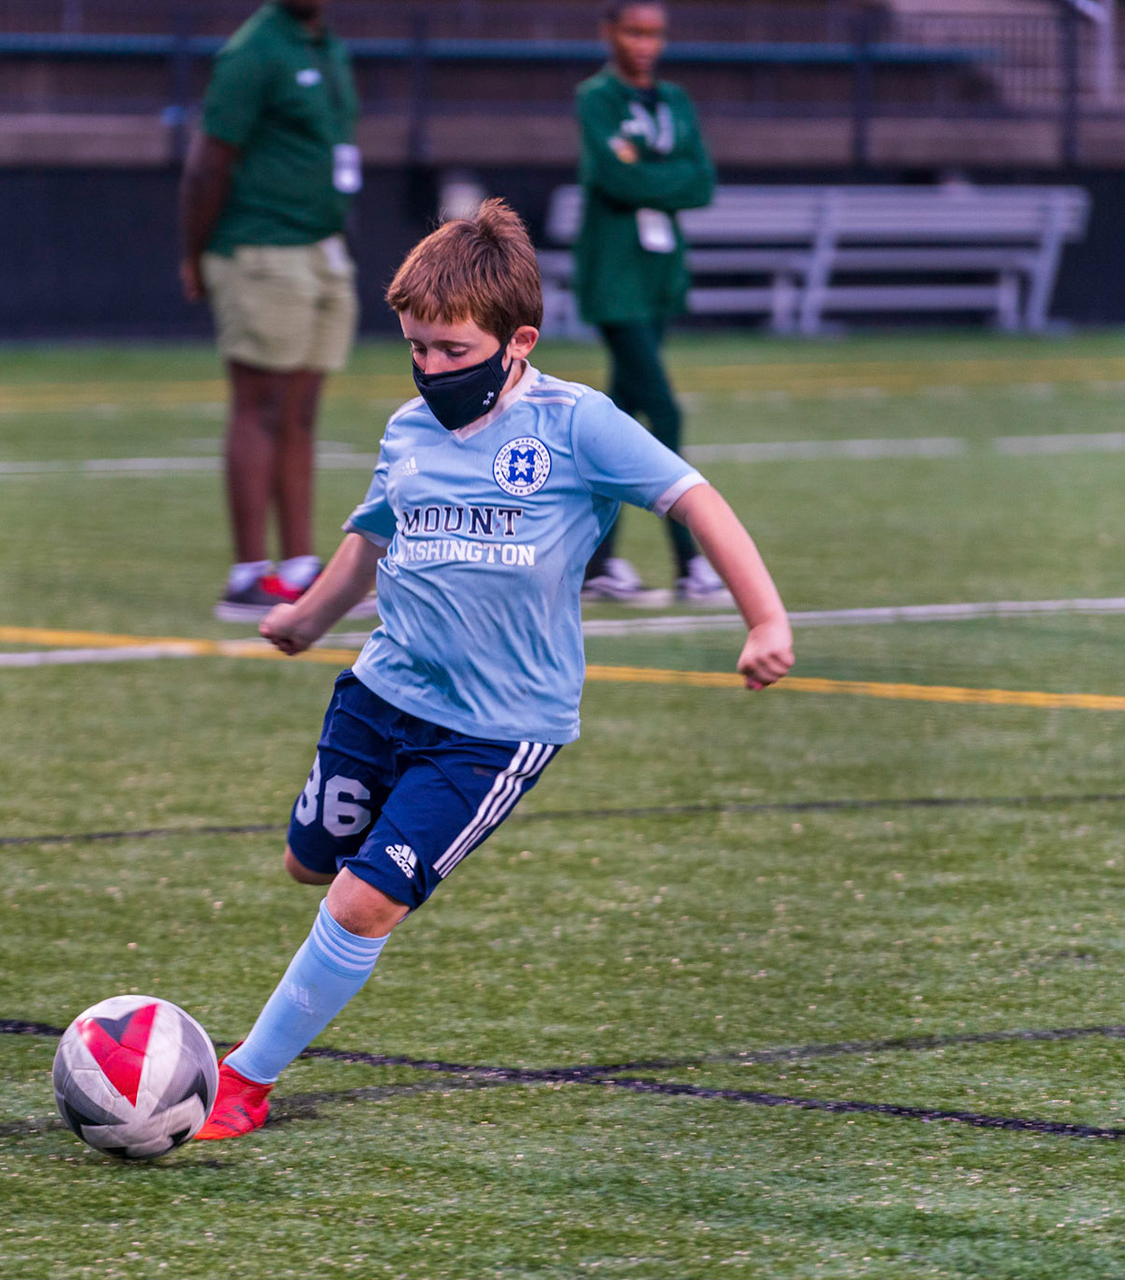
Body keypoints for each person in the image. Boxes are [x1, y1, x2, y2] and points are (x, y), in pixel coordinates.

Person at [194, 200, 794, 1141]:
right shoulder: (408, 429)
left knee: (363, 900)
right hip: (379, 694)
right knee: (308, 867)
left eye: (451, 351)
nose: (432, 370)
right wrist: (311, 617)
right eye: (416, 350)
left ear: (518, 341)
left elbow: (697, 499)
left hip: (493, 729)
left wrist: (764, 617)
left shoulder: (576, 424)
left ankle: (244, 1082)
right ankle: (301, 978)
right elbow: (371, 534)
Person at [180, 0, 361, 621]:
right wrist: (193, 252)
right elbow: (208, 161)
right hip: (261, 246)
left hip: (321, 247)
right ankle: (249, 573)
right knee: (260, 406)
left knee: (302, 411)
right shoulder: (252, 50)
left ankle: (303, 567)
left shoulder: (324, 43)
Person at [573, 1, 723, 606]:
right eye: (633, 31)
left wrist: (656, 174)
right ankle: (692, 565)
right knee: (666, 413)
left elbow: (705, 180)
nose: (645, 44)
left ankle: (596, 565)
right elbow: (617, 179)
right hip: (615, 278)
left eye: (655, 32)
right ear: (609, 31)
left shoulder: (676, 100)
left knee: (618, 423)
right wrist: (669, 175)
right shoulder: (596, 98)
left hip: (659, 275)